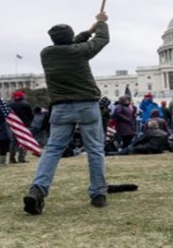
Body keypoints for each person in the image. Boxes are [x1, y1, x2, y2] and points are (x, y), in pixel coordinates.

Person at [23, 11, 110, 215]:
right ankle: (98, 192)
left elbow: (73, 44)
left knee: (52, 150)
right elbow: (103, 39)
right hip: (87, 106)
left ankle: (38, 189)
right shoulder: (79, 52)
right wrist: (101, 23)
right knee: (95, 150)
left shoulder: (46, 53)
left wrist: (88, 31)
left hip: (61, 108)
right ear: (70, 38)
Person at [9, 90, 33, 164]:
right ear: (22, 97)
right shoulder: (26, 105)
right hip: (24, 125)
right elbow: (31, 115)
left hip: (14, 125)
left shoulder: (10, 105)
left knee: (13, 142)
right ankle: (21, 158)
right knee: (24, 142)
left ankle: (12, 158)